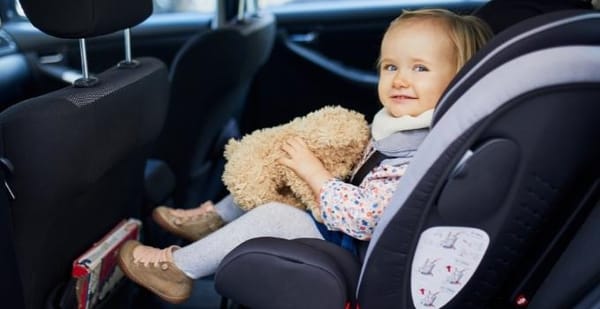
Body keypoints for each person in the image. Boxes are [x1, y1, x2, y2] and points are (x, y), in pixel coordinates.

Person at [118, 8, 492, 304]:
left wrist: (316, 175)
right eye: (391, 66)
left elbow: (364, 219)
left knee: (276, 214)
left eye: (420, 68)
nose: (399, 80)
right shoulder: (407, 128)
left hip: (363, 255)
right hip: (348, 225)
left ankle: (178, 270)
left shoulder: (425, 150)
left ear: (460, 81)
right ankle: (215, 218)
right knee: (277, 167)